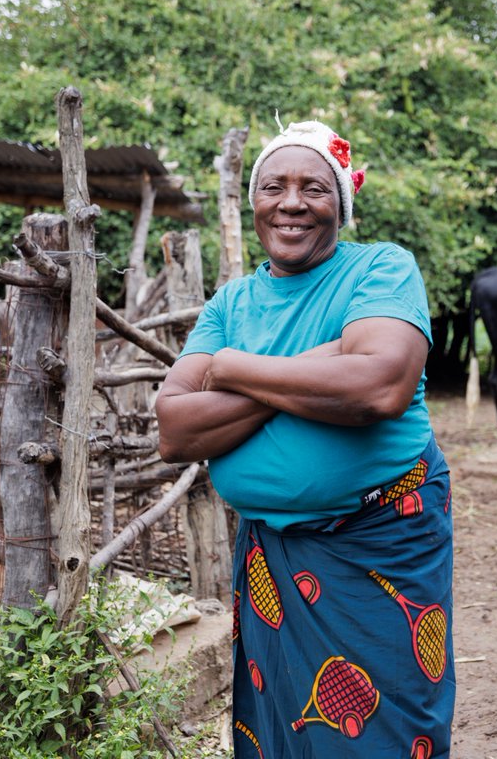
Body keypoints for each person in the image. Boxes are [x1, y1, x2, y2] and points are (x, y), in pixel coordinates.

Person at [156, 119, 454, 758]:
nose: (291, 203)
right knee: (281, 731)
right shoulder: (231, 303)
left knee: (382, 735)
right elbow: (175, 428)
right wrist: (318, 368)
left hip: (378, 548)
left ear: (340, 205)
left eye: (314, 188)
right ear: (255, 201)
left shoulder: (381, 269)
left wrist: (232, 368)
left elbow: (377, 389)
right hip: (273, 563)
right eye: (273, 187)